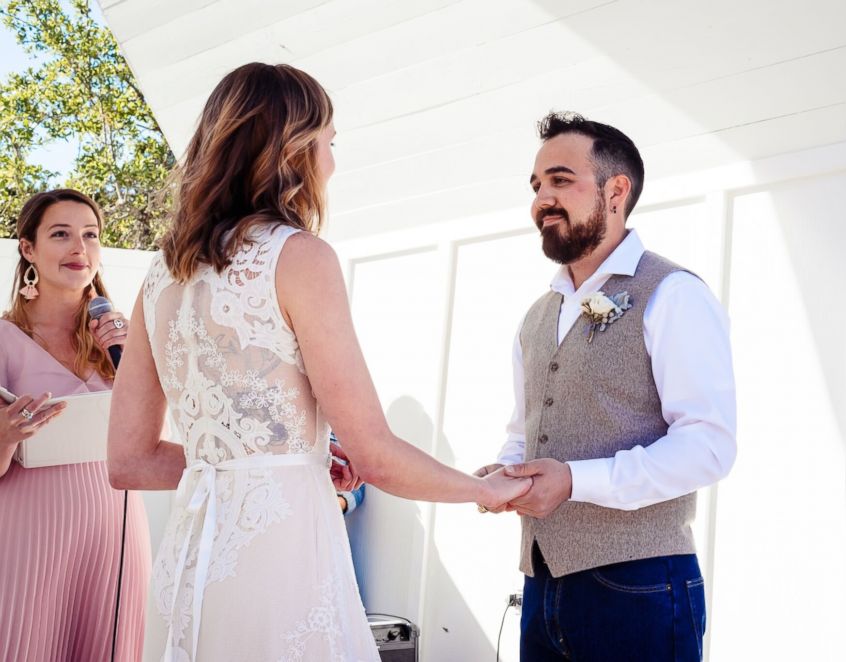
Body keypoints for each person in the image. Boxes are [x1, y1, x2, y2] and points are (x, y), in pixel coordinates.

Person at [106, 62, 531, 662]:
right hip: (282, 559)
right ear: (293, 149)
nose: (333, 161)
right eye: (330, 142)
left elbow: (130, 461)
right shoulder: (300, 258)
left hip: (193, 559)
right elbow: (375, 454)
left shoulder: (160, 275)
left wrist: (282, 460)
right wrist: (482, 490)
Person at [475, 112, 737, 662]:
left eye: (561, 180)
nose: (543, 198)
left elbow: (708, 447)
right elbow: (525, 431)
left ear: (616, 191)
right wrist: (508, 472)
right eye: (537, 185)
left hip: (639, 587)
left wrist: (574, 482)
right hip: (542, 583)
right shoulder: (535, 315)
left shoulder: (673, 294)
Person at [0, 189, 151, 662]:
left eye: (90, 235)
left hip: (116, 523)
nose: (79, 248)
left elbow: (157, 431)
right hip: (30, 527)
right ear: (28, 249)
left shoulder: (124, 341)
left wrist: (128, 361)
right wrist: (5, 436)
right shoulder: (3, 339)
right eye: (60, 234)